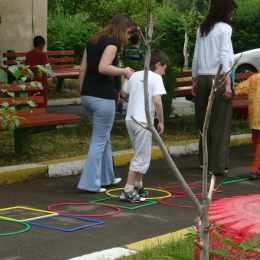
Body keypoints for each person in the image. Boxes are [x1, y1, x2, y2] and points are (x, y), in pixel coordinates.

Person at [77, 14, 135, 193]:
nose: (128, 37)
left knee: (103, 137)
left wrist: (83, 91)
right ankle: (89, 184)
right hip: (103, 97)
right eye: (127, 32)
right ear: (121, 29)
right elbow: (104, 68)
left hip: (88, 95)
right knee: (100, 139)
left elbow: (83, 69)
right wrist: (125, 71)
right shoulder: (112, 43)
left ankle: (106, 177)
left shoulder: (93, 40)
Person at [191, 0, 238, 175]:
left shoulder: (202, 29)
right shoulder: (225, 29)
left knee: (205, 122)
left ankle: (204, 162)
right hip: (218, 78)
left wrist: (194, 80)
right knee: (220, 123)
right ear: (226, 10)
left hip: (202, 78)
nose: (232, 16)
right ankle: (218, 166)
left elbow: (195, 57)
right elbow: (224, 55)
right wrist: (227, 82)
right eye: (232, 12)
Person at [119, 50, 170, 202]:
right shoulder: (155, 78)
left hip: (131, 119)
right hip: (143, 122)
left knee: (140, 152)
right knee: (142, 156)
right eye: (164, 69)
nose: (164, 73)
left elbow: (124, 94)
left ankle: (137, 185)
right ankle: (128, 189)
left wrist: (126, 78)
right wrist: (160, 121)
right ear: (158, 64)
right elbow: (157, 101)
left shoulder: (135, 75)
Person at [235, 73, 260, 180]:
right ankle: (255, 169)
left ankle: (256, 167)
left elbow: (239, 89)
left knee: (256, 141)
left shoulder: (254, 78)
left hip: (254, 118)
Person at [25, 35, 58, 109]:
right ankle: (41, 112)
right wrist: (53, 77)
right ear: (41, 45)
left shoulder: (28, 54)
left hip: (32, 80)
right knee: (42, 97)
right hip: (41, 80)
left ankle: (30, 111)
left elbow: (26, 67)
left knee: (30, 95)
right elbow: (47, 67)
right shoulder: (42, 55)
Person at [117, 34, 145, 113]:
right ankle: (134, 107)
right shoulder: (140, 51)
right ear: (138, 41)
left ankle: (121, 102)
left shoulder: (127, 50)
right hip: (137, 72)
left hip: (128, 71)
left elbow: (122, 59)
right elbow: (143, 63)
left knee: (125, 88)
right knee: (136, 90)